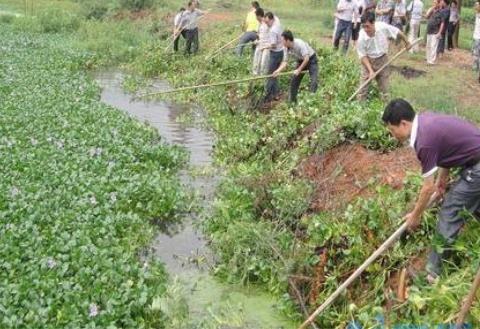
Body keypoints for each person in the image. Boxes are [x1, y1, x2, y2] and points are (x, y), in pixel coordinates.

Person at [382, 99, 480, 284]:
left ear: (403, 123)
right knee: (470, 202)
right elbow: (446, 151)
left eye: (392, 130)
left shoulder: (424, 141)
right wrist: (443, 179)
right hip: (473, 159)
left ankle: (433, 274)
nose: (392, 134)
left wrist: (415, 216)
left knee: (450, 210)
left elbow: (427, 188)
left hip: (476, 167)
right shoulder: (426, 121)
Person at [356, 11, 410, 100]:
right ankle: (360, 106)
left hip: (382, 59)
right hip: (368, 61)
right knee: (363, 88)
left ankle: (385, 105)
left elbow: (397, 32)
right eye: (363, 26)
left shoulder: (382, 27)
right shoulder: (361, 37)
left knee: (385, 87)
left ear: (373, 23)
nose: (365, 29)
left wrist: (407, 42)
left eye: (368, 26)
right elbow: (362, 56)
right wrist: (370, 71)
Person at [272, 30, 319, 103]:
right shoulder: (285, 48)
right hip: (300, 61)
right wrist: (278, 71)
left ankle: (311, 101)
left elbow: (306, 59)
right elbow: (285, 62)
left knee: (314, 81)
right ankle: (292, 102)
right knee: (294, 82)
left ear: (287, 40)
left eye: (283, 40)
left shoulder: (299, 43)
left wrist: (299, 70)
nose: (282, 42)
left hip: (311, 59)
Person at [262, 12, 284, 104]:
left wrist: (265, 46)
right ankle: (276, 94)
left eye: (267, 22)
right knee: (275, 74)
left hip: (275, 53)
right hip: (281, 52)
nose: (266, 24)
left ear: (271, 19)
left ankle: (267, 95)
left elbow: (273, 45)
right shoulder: (277, 24)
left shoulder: (273, 30)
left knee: (270, 74)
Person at [252, 8, 271, 75]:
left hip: (267, 46)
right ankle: (255, 75)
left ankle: (263, 77)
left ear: (259, 16)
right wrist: (257, 40)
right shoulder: (260, 24)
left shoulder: (267, 23)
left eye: (256, 16)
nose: (256, 18)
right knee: (256, 61)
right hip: (259, 45)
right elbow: (259, 35)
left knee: (263, 63)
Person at [425, 0, 445, 65]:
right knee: (428, 46)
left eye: (435, 3)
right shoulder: (431, 10)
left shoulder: (441, 12)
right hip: (429, 30)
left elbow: (442, 23)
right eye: (433, 3)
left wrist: (439, 32)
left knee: (433, 46)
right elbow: (426, 17)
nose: (434, 4)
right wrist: (431, 10)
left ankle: (432, 61)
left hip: (435, 31)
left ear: (439, 4)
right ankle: (428, 59)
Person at [474, 1, 480, 83]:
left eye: (477, 5)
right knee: (476, 56)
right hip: (476, 37)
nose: (475, 6)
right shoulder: (477, 14)